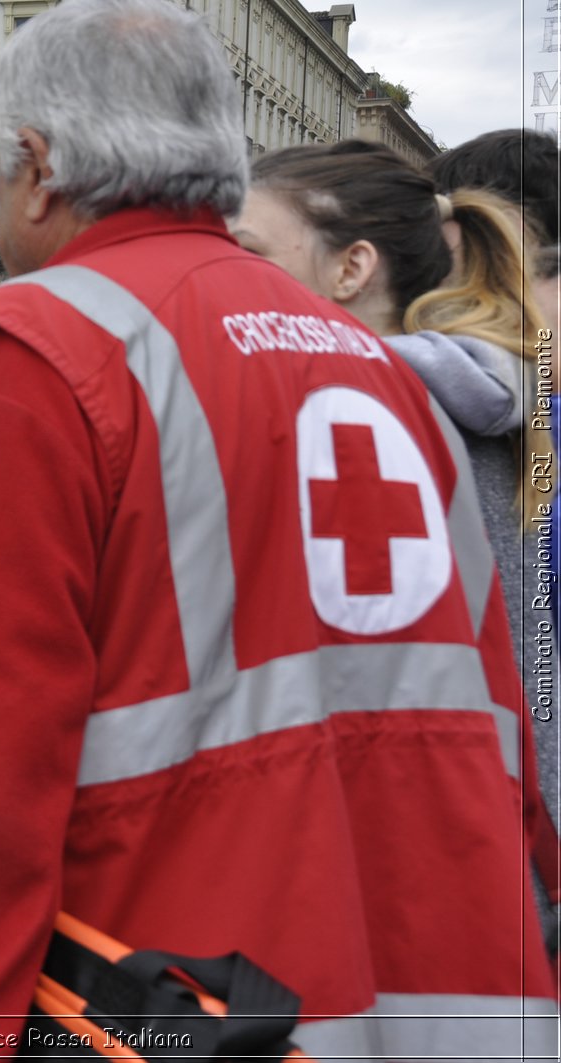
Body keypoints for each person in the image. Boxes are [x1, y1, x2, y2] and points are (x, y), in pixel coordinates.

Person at [0, 0, 559, 1056]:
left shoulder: (30, 361)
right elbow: (498, 710)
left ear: (38, 165)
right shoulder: (381, 374)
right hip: (425, 996)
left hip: (171, 994)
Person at [236, 138, 560, 947]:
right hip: (498, 852)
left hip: (438, 873)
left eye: (249, 254)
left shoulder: (362, 420)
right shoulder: (488, 394)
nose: (228, 280)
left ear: (351, 270)